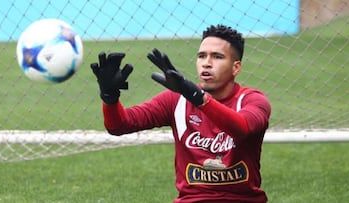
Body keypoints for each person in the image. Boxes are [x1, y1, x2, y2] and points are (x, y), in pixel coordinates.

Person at [90, 24, 271, 203]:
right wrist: (109, 98)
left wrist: (196, 96)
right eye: (202, 56)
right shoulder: (176, 100)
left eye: (217, 57)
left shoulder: (253, 100)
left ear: (236, 67)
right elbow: (120, 125)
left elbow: (242, 127)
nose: (206, 63)